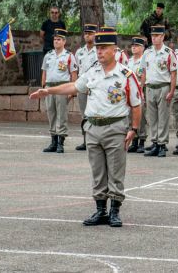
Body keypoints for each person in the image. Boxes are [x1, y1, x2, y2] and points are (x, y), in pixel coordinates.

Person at [30, 28, 141, 228]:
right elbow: (73, 86)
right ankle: (100, 210)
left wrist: (134, 129)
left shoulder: (126, 75)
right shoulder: (92, 72)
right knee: (98, 172)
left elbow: (136, 104)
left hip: (115, 127)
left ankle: (114, 211)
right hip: (93, 128)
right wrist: (48, 91)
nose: (99, 52)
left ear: (114, 49)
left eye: (104, 48)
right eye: (98, 48)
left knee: (116, 171)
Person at [141, 25, 176, 157]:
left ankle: (162, 144)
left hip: (163, 86)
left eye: (157, 36)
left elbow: (173, 73)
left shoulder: (168, 53)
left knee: (163, 117)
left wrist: (171, 91)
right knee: (152, 118)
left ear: (162, 37)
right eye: (152, 36)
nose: (154, 38)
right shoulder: (147, 52)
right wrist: (141, 89)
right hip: (150, 87)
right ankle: (155, 142)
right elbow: (144, 71)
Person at [40, 28, 77, 153]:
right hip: (49, 87)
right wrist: (43, 87)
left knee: (61, 115)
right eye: (55, 39)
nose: (56, 41)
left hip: (62, 87)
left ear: (64, 41)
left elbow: (73, 75)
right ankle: (53, 141)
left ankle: (61, 142)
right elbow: (44, 72)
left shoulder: (69, 56)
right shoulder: (48, 55)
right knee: (51, 113)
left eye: (59, 39)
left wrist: (71, 92)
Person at [74, 24, 99, 151]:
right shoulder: (79, 52)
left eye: (90, 33)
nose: (87, 35)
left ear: (95, 35)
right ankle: (85, 140)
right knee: (84, 115)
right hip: (82, 87)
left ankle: (96, 141)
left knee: (96, 114)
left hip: (95, 87)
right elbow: (77, 70)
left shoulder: (98, 51)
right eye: (86, 33)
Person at [125, 37, 148, 152]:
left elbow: (144, 75)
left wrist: (141, 89)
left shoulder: (144, 60)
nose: (133, 47)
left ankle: (142, 141)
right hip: (130, 91)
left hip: (141, 90)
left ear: (142, 48)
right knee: (131, 116)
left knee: (141, 116)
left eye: (137, 46)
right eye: (132, 46)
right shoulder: (129, 61)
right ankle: (134, 140)